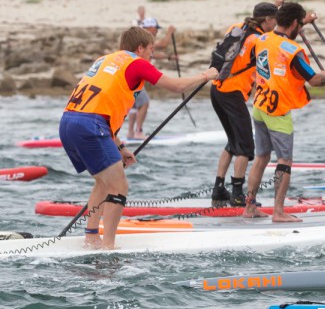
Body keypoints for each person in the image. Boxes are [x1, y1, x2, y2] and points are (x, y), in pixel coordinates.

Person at [60, 26, 216, 249]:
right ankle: (108, 246)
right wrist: (206, 75)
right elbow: (175, 86)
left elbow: (100, 108)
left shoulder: (105, 60)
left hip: (69, 122)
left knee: (103, 182)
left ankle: (91, 237)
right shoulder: (137, 62)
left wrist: (121, 147)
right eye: (151, 49)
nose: (152, 54)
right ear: (140, 48)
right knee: (119, 185)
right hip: (91, 125)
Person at [244, 1, 325, 222]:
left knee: (261, 158)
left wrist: (305, 20)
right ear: (293, 23)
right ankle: (279, 212)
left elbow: (265, 55)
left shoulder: (262, 38)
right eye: (300, 26)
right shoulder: (293, 50)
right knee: (285, 160)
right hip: (278, 110)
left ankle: (249, 207)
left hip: (259, 105)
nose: (300, 30)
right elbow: (314, 80)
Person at [208, 0, 283, 207]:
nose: (276, 24)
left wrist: (275, 5)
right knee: (245, 147)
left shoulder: (237, 27)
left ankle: (219, 188)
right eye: (274, 20)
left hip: (216, 89)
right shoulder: (259, 40)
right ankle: (238, 194)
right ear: (267, 20)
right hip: (232, 94)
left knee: (233, 142)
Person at [123, 17, 177, 139]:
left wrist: (168, 57)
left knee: (134, 105)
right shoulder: (144, 39)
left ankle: (131, 132)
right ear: (149, 28)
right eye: (156, 29)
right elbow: (163, 44)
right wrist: (169, 32)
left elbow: (153, 54)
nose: (157, 31)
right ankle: (138, 132)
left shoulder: (137, 39)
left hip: (132, 78)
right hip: (137, 76)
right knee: (144, 102)